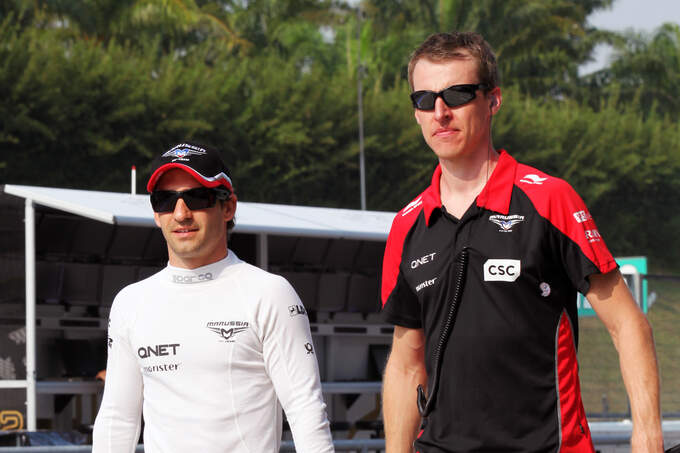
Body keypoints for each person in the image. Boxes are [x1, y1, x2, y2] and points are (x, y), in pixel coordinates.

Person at [380, 32, 664, 453]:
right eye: (424, 99)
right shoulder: (406, 225)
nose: (440, 112)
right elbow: (406, 366)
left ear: (493, 100)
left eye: (457, 94)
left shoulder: (549, 198)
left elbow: (627, 325)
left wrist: (647, 436)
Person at [92, 142, 334, 453]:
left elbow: (306, 410)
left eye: (196, 197)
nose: (180, 213)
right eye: (165, 200)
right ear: (155, 213)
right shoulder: (130, 302)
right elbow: (117, 419)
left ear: (228, 207)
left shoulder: (269, 293)